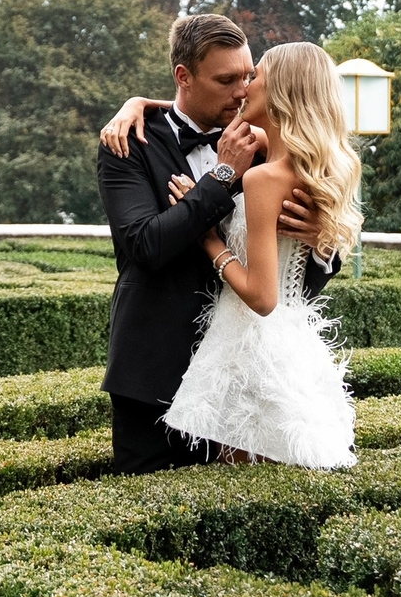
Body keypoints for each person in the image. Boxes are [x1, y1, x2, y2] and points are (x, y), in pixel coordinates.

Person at [95, 27, 357, 470]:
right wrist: (219, 176)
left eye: (248, 76)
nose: (241, 92)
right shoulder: (129, 141)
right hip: (155, 369)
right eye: (225, 82)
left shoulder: (269, 144)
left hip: (250, 371)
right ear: (183, 76)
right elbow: (145, 245)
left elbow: (292, 282)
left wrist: (321, 245)